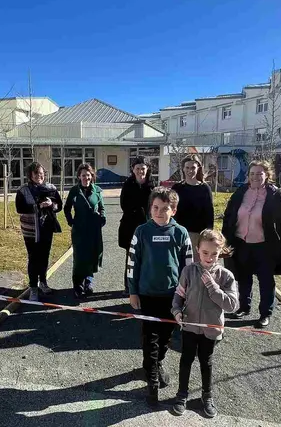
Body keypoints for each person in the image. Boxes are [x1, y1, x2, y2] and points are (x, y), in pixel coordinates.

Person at [126, 187, 193, 407]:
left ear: (173, 210)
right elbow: (132, 263)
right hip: (146, 294)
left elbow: (188, 267)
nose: (159, 212)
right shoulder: (141, 232)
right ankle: (152, 380)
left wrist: (187, 295)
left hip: (173, 296)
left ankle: (158, 362)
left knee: (166, 336)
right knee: (150, 339)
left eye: (165, 209)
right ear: (150, 208)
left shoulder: (181, 233)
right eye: (155, 208)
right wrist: (133, 291)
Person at [171, 229, 238, 418]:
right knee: (186, 360)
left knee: (206, 362)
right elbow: (179, 295)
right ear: (197, 249)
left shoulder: (226, 276)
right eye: (205, 252)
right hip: (190, 327)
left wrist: (212, 286)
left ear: (221, 252)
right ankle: (181, 394)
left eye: (214, 254)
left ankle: (206, 397)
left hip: (211, 330)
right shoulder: (189, 271)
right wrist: (176, 311)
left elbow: (232, 305)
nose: (209, 257)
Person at [221, 160, 281, 328]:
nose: (255, 177)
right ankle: (243, 307)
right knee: (243, 278)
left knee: (266, 281)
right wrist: (227, 236)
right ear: (248, 176)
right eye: (252, 174)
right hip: (242, 244)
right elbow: (229, 214)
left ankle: (265, 314)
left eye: (259, 174)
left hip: (264, 246)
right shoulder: (241, 192)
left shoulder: (275, 195)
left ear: (267, 175)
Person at [16, 162, 63, 301]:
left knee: (44, 256)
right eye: (36, 173)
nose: (39, 176)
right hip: (30, 230)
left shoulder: (51, 188)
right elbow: (20, 208)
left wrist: (52, 205)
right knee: (33, 258)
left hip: (46, 228)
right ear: (30, 175)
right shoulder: (23, 190)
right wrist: (38, 206)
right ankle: (33, 288)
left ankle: (43, 282)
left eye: (41, 173)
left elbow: (59, 205)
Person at [64, 163, 106, 298]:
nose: (86, 178)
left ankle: (88, 281)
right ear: (79, 176)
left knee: (92, 255)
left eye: (88, 175)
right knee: (79, 257)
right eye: (83, 175)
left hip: (93, 230)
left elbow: (101, 208)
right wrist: (71, 221)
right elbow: (67, 208)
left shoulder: (98, 190)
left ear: (91, 176)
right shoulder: (75, 191)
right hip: (79, 230)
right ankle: (77, 283)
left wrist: (102, 218)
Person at [118, 156, 155, 294]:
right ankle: (128, 286)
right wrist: (138, 211)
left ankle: (144, 285)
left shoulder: (152, 185)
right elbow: (124, 205)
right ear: (133, 170)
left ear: (147, 169)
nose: (140, 171)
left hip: (149, 227)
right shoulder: (128, 185)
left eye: (143, 168)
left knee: (147, 259)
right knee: (131, 259)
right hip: (131, 228)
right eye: (137, 168)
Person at [172, 155, 215, 248]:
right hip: (178, 233)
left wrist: (209, 234)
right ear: (183, 168)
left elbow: (209, 213)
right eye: (187, 167)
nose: (190, 171)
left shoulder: (204, 188)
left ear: (198, 168)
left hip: (197, 235)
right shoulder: (177, 188)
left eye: (193, 168)